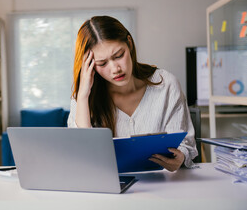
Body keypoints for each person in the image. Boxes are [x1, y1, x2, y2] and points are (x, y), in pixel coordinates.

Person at [68, 15, 198, 172]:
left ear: (129, 43)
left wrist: (180, 157)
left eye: (119, 55)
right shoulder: (83, 97)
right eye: (102, 63)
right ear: (89, 66)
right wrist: (82, 98)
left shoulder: (166, 84)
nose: (115, 69)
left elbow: (185, 144)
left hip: (162, 187)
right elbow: (82, 157)